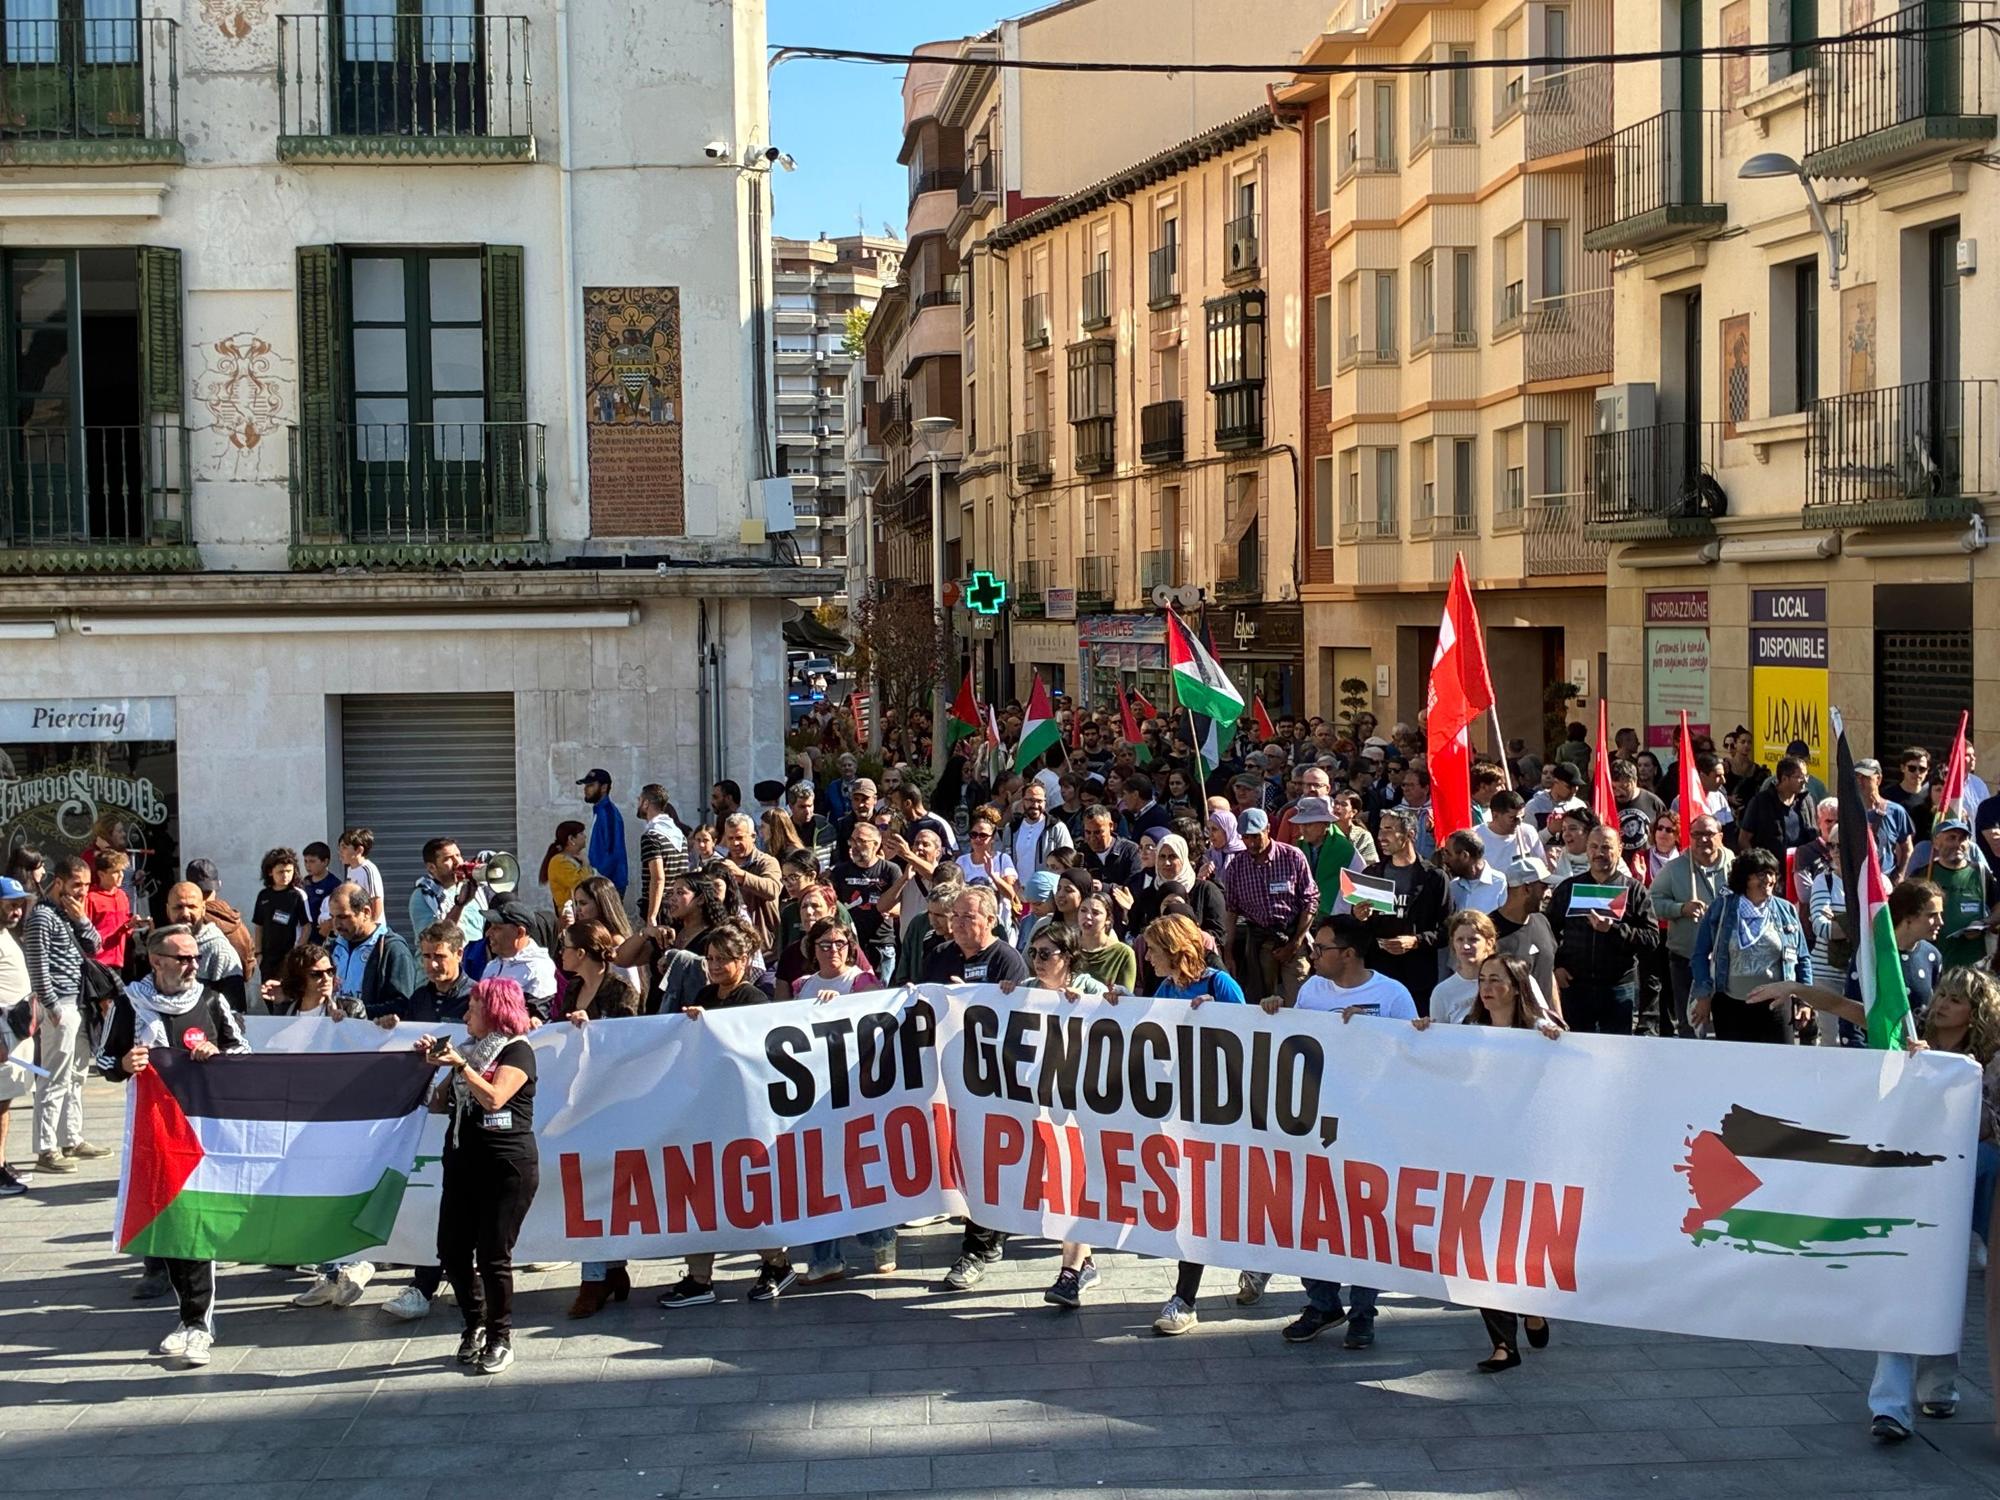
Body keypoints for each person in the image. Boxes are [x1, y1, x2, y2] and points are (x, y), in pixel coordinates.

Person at [97, 924, 250, 1367]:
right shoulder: (130, 1002)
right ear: (156, 960)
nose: (192, 965)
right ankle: (188, 1319)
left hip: (204, 1131)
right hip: (154, 1132)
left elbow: (243, 1052)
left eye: (195, 958)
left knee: (194, 1224)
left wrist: (217, 1056)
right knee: (169, 1226)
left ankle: (200, 1323)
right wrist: (126, 1063)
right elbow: (105, 1059)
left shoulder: (211, 1000)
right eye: (182, 958)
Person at [1413, 952, 1561, 1371]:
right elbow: (1442, 1070)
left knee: (1516, 1243)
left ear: (1516, 987)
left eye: (1496, 980)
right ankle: (1502, 1344)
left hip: (1524, 1157)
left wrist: (1552, 1038)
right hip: (1478, 1154)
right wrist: (1425, 1034)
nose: (1487, 988)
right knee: (1477, 1246)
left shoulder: (1539, 1032)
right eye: (1482, 980)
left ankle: (1532, 1304)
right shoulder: (1468, 1030)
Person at [656, 924, 798, 1307]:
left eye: (723, 959)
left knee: (741, 1196)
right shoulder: (705, 994)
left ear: (742, 961)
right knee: (701, 1193)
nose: (714, 966)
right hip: (706, 1110)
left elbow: (750, 1051)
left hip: (739, 1114)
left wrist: (711, 1028)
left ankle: (777, 1263)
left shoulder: (752, 998)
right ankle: (700, 1278)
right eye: (710, 959)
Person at [416, 977, 539, 1374]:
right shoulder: (466, 1052)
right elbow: (438, 1107)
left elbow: (494, 1097)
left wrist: (462, 1066)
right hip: (462, 1163)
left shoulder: (517, 1051)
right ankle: (474, 1324)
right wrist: (435, 1069)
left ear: (494, 1010)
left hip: (506, 1166)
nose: (466, 1014)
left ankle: (500, 1336)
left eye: (473, 1007)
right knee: (451, 1249)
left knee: (492, 1255)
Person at [1135, 914, 1247, 1336]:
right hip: (1184, 1111)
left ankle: (1255, 1265)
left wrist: (1217, 1018)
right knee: (1195, 1203)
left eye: (1155, 950)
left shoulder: (1220, 985)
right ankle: (1185, 1296)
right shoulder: (1166, 989)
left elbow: (1250, 1039)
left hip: (1224, 1113)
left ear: (1175, 950)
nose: (1148, 957)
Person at [928, 886, 1030, 1291]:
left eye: (968, 917)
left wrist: (977, 1000)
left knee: (986, 1158)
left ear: (990, 920)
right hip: (950, 1075)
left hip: (995, 1080)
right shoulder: (939, 956)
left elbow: (1023, 1017)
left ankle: (976, 1246)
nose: (958, 924)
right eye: (954, 916)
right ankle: (990, 1232)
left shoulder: (1007, 959)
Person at [24, 855, 105, 1176]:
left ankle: (71, 1137)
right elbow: (37, 964)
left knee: (76, 1075)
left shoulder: (70, 914)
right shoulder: (42, 917)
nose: (82, 892)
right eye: (76, 885)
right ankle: (46, 1148)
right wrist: (52, 1006)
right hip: (60, 1006)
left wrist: (83, 920)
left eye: (86, 885)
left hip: (79, 1002)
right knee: (54, 1077)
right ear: (58, 882)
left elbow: (95, 946)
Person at [1689, 847, 1812, 1044]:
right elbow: (1700, 955)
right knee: (1736, 1070)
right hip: (1731, 1008)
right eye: (1761, 874)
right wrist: (1704, 996)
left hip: (1777, 1008)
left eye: (1772, 874)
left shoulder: (1786, 910)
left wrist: (1805, 1000)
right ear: (1744, 878)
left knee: (1779, 1069)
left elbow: (1803, 958)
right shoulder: (1721, 908)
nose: (1769, 880)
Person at [1546, 826, 1659, 1035]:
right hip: (1575, 987)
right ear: (1586, 850)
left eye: (1606, 847)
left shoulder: (1635, 891)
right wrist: (1557, 966)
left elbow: (1651, 939)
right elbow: (1547, 932)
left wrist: (1614, 929)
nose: (1599, 853)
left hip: (1617, 989)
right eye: (1594, 846)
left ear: (1619, 849)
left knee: (1615, 1055)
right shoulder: (1568, 888)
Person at [1349, 809, 1446, 1015]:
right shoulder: (1372, 874)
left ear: (1410, 834)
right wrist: (1359, 917)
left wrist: (1416, 941)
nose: (1380, 836)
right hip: (1378, 974)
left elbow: (1447, 929)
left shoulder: (1434, 877)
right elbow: (1357, 928)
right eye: (1380, 829)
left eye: (1388, 830)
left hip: (1417, 976)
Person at [1219, 807, 1317, 1006]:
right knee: (1262, 1001)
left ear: (1268, 830)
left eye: (1256, 837)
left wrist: (1296, 942)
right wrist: (1227, 952)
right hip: (1260, 940)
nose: (1251, 843)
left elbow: (1311, 901)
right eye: (1246, 838)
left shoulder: (1292, 857)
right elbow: (1231, 911)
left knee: (1299, 997)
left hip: (1292, 934)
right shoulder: (1237, 867)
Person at [1649, 814, 1733, 1040]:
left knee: (1728, 1025)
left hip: (1729, 960)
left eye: (1709, 834)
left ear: (1721, 837)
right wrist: (1680, 909)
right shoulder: (1674, 869)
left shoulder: (1736, 866)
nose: (1703, 840)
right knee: (1690, 1025)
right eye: (1697, 834)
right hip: (1686, 958)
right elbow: (1651, 903)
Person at [327, 882, 419, 1022]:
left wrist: (359, 1013)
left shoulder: (392, 949)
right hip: (335, 1036)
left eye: (343, 917)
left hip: (373, 1038)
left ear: (366, 912)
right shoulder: (332, 947)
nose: (336, 924)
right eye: (332, 917)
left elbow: (403, 1004)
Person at [830, 821, 904, 978]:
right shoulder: (840, 871)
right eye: (853, 840)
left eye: (861, 841)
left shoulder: (890, 870)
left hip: (881, 942)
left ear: (876, 844)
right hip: (850, 944)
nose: (855, 845)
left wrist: (889, 910)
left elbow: (902, 906)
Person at [1923, 817, 1997, 970]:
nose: (1958, 844)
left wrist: (1985, 922)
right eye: (1952, 838)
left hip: (1976, 966)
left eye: (1963, 839)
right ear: (1936, 843)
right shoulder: (1924, 875)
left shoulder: (1980, 873)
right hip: (1935, 964)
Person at [479, 901, 561, 1019]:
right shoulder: (492, 965)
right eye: (490, 927)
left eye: (497, 928)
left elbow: (537, 1019)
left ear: (520, 932)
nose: (488, 933)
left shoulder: (539, 968)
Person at [719, 813, 783, 957]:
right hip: (729, 949)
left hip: (764, 950)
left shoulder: (766, 862)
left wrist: (741, 876)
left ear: (753, 837)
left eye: (740, 838)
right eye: (730, 838)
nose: (735, 843)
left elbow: (772, 889)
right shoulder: (721, 866)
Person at [250, 848, 310, 998]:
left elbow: (307, 926)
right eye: (281, 872)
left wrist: (297, 952)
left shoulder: (297, 895)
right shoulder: (264, 895)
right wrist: (258, 953)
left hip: (288, 956)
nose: (285, 876)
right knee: (268, 996)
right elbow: (259, 925)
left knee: (286, 996)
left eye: (289, 871)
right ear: (270, 872)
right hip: (268, 957)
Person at [408, 839, 487, 952]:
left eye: (458, 855)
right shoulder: (423, 896)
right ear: (431, 867)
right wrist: (459, 905)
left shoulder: (474, 889)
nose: (457, 862)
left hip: (474, 965)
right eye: (448, 858)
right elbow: (435, 939)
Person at [1738, 756, 1815, 860]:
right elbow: (1744, 839)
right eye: (1800, 777)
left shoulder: (1806, 801)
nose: (1805, 781)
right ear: (1784, 778)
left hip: (1800, 869)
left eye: (1806, 776)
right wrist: (1758, 866)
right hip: (1772, 871)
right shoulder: (1761, 802)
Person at [1431, 910, 1498, 1025]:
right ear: (1453, 944)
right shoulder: (1442, 992)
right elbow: (1438, 1038)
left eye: (1473, 940)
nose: (1466, 946)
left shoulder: (1513, 980)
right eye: (1460, 940)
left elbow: (1537, 1022)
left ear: (1489, 943)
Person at [634, 785, 686, 926]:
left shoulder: (651, 836)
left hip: (660, 908)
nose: (638, 804)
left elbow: (657, 878)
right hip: (678, 906)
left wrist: (652, 916)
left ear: (646, 803)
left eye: (639, 800)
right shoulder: (679, 835)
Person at [85, 848, 138, 977]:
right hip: (98, 962)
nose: (121, 875)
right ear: (101, 874)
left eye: (122, 871)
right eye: (115, 872)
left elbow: (126, 928)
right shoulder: (91, 898)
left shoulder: (122, 896)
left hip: (121, 959)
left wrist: (133, 924)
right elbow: (85, 932)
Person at [1072, 890, 1137, 991]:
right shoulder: (1068, 946)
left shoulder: (1123, 953)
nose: (1087, 916)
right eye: (1083, 910)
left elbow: (1125, 997)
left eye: (1095, 913)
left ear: (1108, 919)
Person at [580, 768, 629, 897]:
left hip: (607, 885)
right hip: (601, 883)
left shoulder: (608, 813)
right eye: (586, 785)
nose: (586, 789)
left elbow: (613, 852)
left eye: (591, 785)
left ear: (604, 787)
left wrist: (596, 879)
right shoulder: (599, 811)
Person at [1442, 830, 1506, 915]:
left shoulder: (1499, 883)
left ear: (1464, 856)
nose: (1445, 860)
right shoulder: (1453, 887)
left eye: (1449, 854)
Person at [1473, 789, 1539, 870]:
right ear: (1495, 815)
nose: (1519, 823)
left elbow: (1542, 867)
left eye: (1522, 817)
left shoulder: (1528, 831)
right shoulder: (1475, 838)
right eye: (1513, 818)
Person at [337, 828, 386, 928]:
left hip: (370, 930)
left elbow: (376, 901)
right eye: (340, 847)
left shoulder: (368, 870)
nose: (340, 851)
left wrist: (371, 926)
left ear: (359, 850)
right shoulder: (350, 870)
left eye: (344, 847)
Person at [540, 820, 589, 917]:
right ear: (571, 839)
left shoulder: (573, 858)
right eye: (581, 833)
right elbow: (581, 885)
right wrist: (586, 865)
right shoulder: (559, 862)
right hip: (571, 916)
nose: (585, 836)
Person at [301, 841, 341, 939]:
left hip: (323, 938)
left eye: (312, 861)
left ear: (325, 862)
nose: (307, 865)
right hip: (305, 937)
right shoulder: (305, 882)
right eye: (305, 861)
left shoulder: (335, 885)